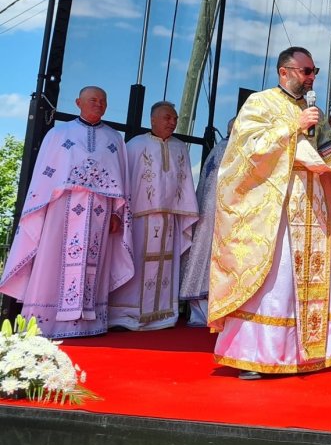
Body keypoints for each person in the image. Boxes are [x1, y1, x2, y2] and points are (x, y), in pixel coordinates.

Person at [209, 47, 331, 379]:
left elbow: (323, 155)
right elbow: (246, 151)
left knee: (307, 278)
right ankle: (255, 356)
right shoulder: (260, 103)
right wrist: (293, 126)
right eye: (305, 71)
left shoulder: (312, 112)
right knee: (276, 279)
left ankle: (307, 353)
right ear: (284, 71)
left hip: (311, 200)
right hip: (275, 205)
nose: (311, 78)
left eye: (314, 72)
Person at [0, 86, 134, 338]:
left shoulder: (115, 139)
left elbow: (122, 181)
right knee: (52, 262)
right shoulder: (59, 134)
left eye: (103, 101)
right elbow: (44, 176)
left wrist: (118, 213)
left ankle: (88, 323)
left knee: (97, 264)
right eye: (93, 100)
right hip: (63, 209)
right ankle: (44, 324)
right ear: (78, 102)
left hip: (100, 212)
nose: (99, 104)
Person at [109, 101, 199, 331]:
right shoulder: (135, 145)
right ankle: (128, 313)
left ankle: (163, 313)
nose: (173, 122)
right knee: (137, 260)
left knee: (166, 263)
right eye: (168, 117)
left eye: (175, 118)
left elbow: (185, 183)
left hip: (170, 218)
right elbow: (123, 180)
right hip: (140, 218)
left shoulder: (180, 148)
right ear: (153, 120)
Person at [180, 118, 233, 327]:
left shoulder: (218, 148)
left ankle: (200, 313)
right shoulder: (233, 148)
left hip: (208, 213)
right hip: (222, 215)